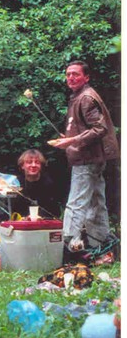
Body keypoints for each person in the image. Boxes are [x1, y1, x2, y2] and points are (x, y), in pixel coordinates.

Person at [51, 61, 119, 252]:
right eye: (68, 75)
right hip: (94, 158)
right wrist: (70, 138)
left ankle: (66, 247)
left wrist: (72, 141)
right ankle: (102, 245)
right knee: (97, 203)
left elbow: (100, 128)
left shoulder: (86, 98)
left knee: (76, 202)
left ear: (86, 77)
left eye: (75, 74)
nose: (71, 78)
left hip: (87, 159)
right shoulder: (79, 96)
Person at [13, 149, 62, 219]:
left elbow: (54, 210)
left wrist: (40, 217)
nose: (33, 165)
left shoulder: (49, 183)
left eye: (37, 162)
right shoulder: (16, 183)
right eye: (29, 162)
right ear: (22, 166)